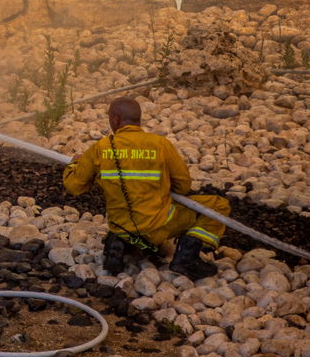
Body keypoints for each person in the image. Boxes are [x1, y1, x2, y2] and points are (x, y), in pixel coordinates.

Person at [63, 97, 230, 279]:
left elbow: (74, 186)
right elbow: (183, 186)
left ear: (115, 119)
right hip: (158, 225)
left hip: (121, 225)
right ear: (138, 119)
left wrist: (74, 164)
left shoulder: (101, 148)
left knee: (127, 216)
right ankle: (186, 258)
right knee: (218, 205)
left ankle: (122, 240)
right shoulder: (160, 145)